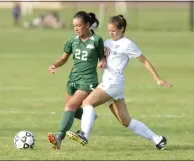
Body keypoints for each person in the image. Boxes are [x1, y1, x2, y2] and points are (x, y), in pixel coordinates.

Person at [66, 15, 172, 150]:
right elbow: (100, 54)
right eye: (109, 30)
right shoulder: (107, 42)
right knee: (125, 121)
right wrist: (102, 60)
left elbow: (144, 61)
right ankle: (158, 139)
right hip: (110, 83)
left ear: (122, 29)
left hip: (113, 83)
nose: (111, 33)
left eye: (114, 30)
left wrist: (158, 79)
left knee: (87, 102)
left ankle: (84, 134)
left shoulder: (127, 44)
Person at [47, 11, 106, 150]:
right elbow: (63, 58)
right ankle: (89, 115)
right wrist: (54, 65)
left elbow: (102, 56)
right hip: (73, 79)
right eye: (74, 26)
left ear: (87, 25)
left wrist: (103, 61)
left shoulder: (97, 40)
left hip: (88, 81)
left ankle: (58, 138)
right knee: (69, 109)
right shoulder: (72, 41)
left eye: (79, 25)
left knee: (70, 107)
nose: (76, 28)